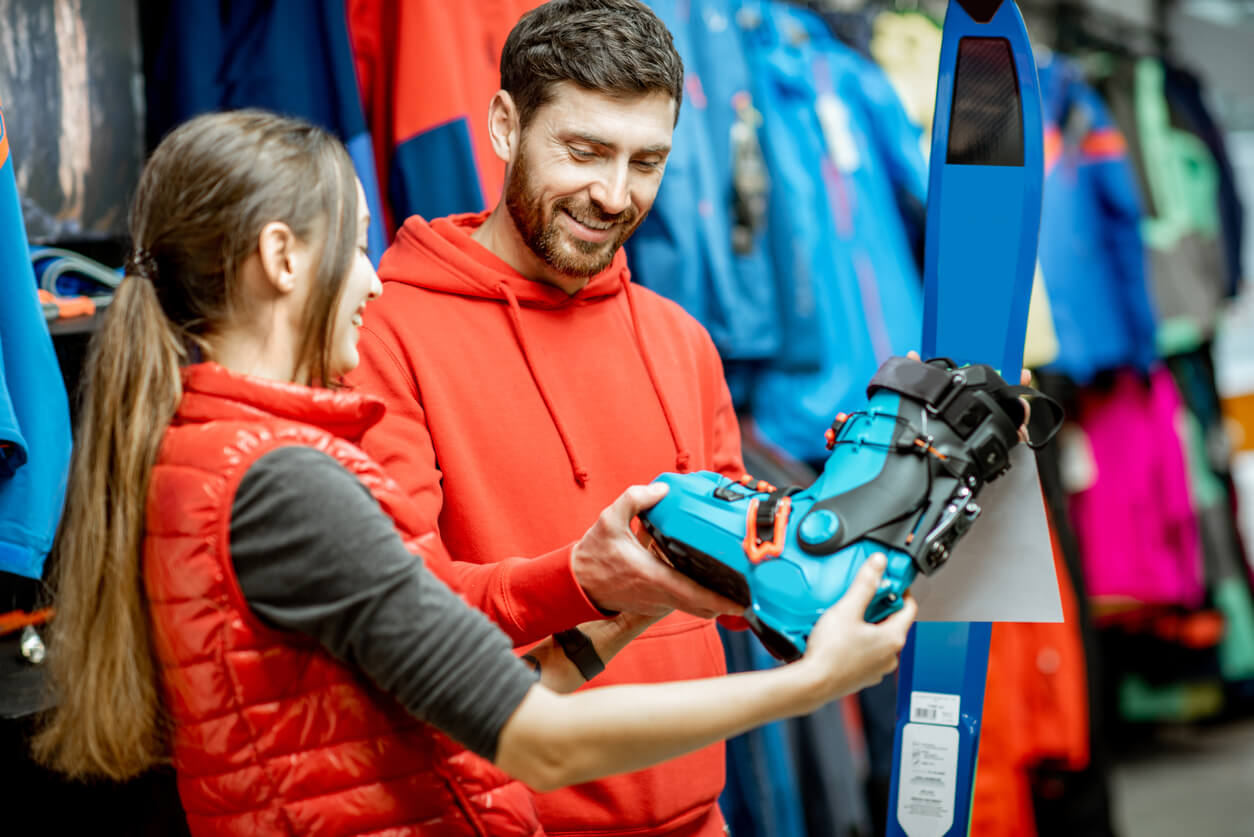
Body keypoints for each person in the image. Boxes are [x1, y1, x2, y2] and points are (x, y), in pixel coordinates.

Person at [31, 110, 914, 837]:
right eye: (357, 249)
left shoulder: (205, 451)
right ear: (283, 258)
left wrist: (631, 600)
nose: (373, 286)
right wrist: (812, 682)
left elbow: (449, 714)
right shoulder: (285, 487)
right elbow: (540, 744)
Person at [346, 2, 753, 832]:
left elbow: (739, 578)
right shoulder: (385, 334)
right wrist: (581, 579)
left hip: (701, 817)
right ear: (504, 125)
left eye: (647, 162)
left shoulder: (682, 339)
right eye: (584, 151)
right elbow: (398, 615)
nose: (613, 194)